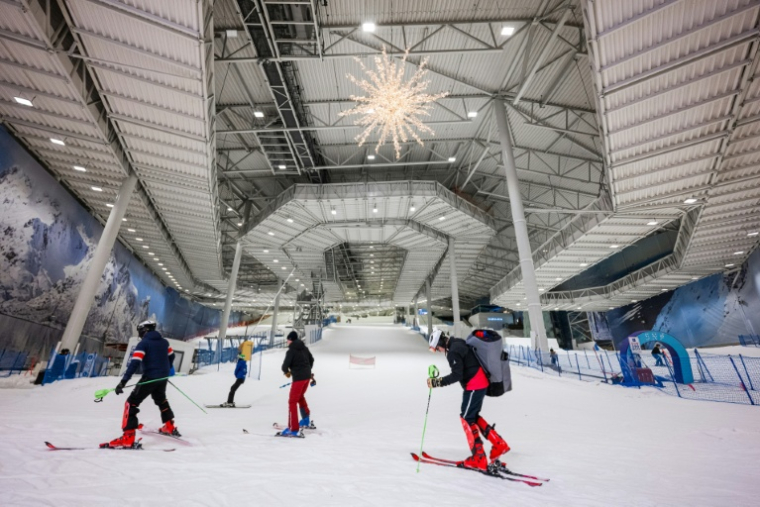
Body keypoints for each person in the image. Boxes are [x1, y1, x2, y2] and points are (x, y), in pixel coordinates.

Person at [427, 329, 509, 471]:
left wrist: (437, 382)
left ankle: (479, 458)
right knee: (472, 417)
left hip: (474, 385)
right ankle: (499, 444)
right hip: (480, 383)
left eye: (438, 348)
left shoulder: (452, 351)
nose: (440, 351)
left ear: (441, 342)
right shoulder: (456, 342)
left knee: (466, 418)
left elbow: (457, 375)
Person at [101, 320, 178, 449]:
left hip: (150, 377)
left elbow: (134, 363)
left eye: (140, 331)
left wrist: (123, 382)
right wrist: (166, 368)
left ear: (144, 330)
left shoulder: (144, 343)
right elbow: (172, 356)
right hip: (162, 377)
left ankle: (128, 438)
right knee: (161, 400)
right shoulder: (164, 343)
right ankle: (169, 426)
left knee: (131, 403)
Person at [279, 331, 314, 437]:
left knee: (292, 401)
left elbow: (285, 366)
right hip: (307, 377)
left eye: (288, 339)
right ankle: (305, 419)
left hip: (299, 378)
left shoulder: (291, 351)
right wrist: (306, 369)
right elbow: (311, 360)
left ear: (291, 340)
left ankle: (293, 428)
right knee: (300, 397)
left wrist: (287, 372)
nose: (287, 341)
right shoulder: (304, 348)